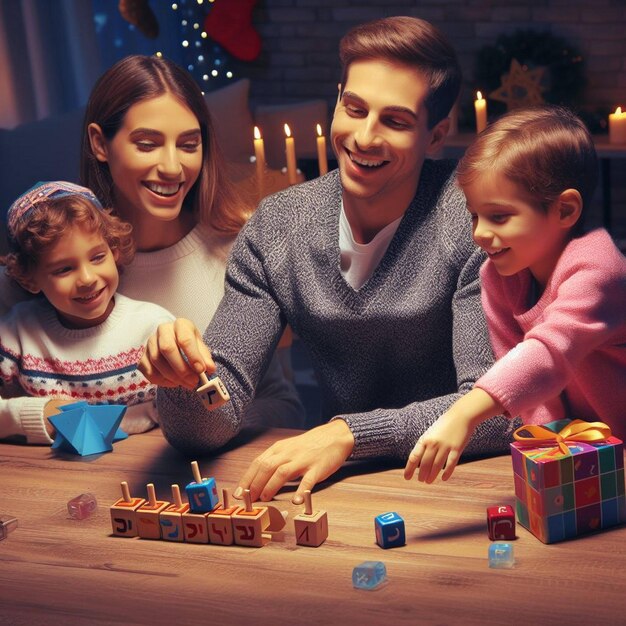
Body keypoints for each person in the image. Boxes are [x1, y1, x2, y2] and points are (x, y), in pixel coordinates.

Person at [141, 16, 515, 503]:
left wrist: (349, 434)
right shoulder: (277, 227)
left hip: (460, 487)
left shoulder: (473, 220)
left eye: (395, 121)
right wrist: (187, 383)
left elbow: (495, 411)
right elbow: (211, 423)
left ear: (436, 135)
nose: (364, 137)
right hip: (337, 487)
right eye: (354, 108)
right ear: (337, 99)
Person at [77, 54, 304, 429]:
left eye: (188, 144)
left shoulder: (239, 251)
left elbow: (285, 407)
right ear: (100, 143)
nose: (172, 167)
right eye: (147, 144)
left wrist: (190, 431)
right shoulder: (64, 265)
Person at [404, 106, 626, 484]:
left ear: (565, 209)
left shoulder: (598, 267)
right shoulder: (498, 276)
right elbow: (528, 387)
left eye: (499, 217)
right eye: (474, 216)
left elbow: (548, 354)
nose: (478, 233)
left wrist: (463, 413)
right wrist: (551, 454)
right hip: (589, 456)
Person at [0, 181, 174, 444]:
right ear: (29, 279)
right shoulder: (16, 333)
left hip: (141, 473)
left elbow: (195, 409)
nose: (87, 279)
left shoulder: (154, 328)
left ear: (113, 251)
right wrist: (37, 415)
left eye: (97, 257)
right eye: (63, 269)